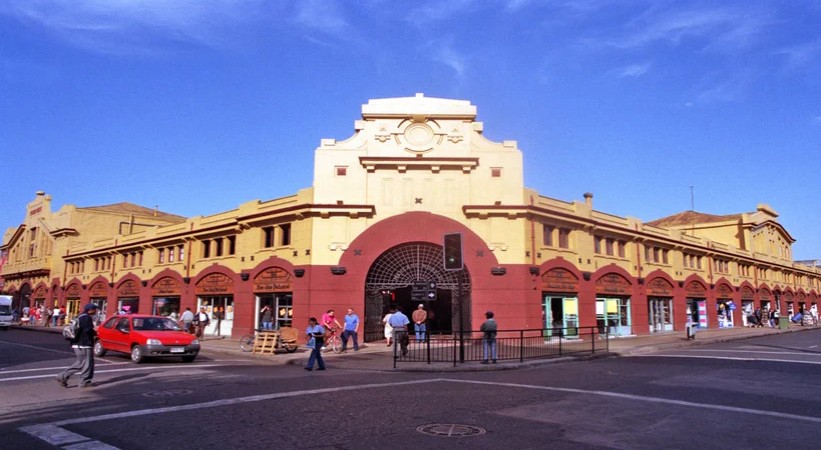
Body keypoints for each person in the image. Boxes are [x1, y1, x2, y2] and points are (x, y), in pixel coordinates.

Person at [56, 303, 99, 388]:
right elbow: (87, 330)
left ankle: (64, 376)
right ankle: (84, 381)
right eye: (95, 309)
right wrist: (95, 332)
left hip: (77, 343)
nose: (96, 311)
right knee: (86, 364)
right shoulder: (86, 318)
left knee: (81, 363)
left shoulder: (79, 316)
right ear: (90, 310)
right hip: (84, 344)